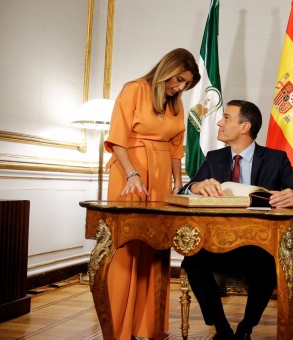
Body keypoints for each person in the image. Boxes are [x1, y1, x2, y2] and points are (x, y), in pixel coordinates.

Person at [179, 99, 293, 340]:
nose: (219, 122)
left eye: (227, 118)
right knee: (192, 260)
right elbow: (184, 192)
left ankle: (246, 328)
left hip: (258, 246)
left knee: (269, 263)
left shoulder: (276, 159)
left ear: (245, 127)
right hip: (217, 245)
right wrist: (198, 186)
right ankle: (221, 329)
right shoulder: (214, 158)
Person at [103, 48, 201, 339]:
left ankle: (147, 326)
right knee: (127, 246)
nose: (180, 87)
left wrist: (176, 181)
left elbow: (175, 148)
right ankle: (118, 327)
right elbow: (117, 138)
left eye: (186, 85)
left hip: (159, 176)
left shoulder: (176, 104)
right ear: (168, 68)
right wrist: (132, 173)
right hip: (129, 172)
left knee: (156, 247)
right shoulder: (133, 89)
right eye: (179, 79)